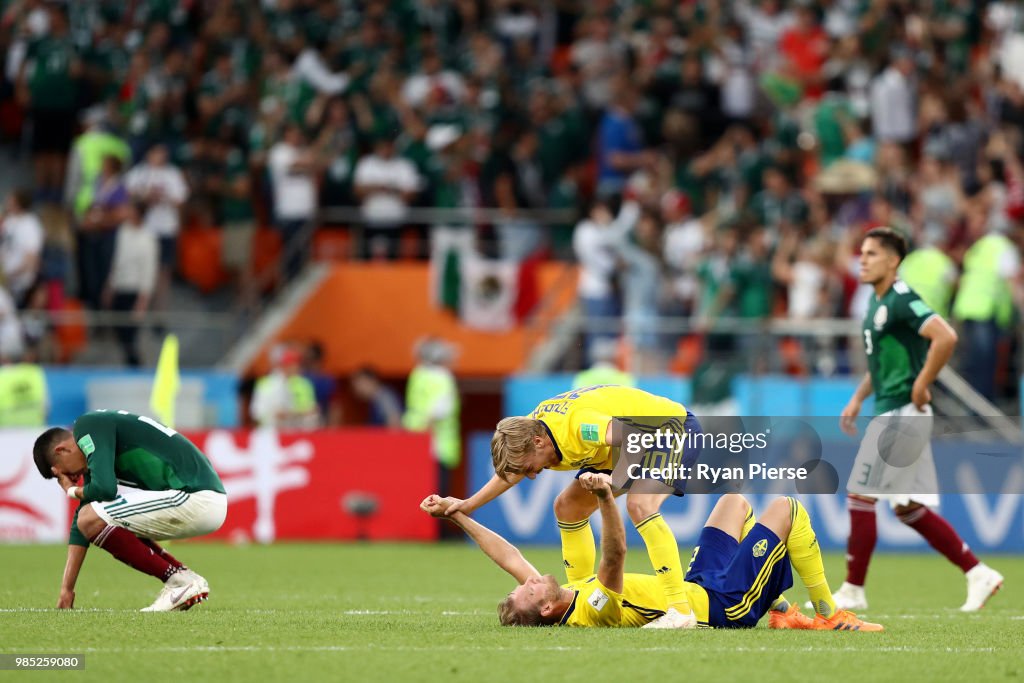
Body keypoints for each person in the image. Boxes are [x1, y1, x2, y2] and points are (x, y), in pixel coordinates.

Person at [422, 477, 882, 631]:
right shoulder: (595, 610)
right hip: (722, 605)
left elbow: (506, 554)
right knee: (788, 508)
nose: (528, 578)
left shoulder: (567, 590)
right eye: (527, 589)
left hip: (695, 586)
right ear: (545, 606)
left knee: (733, 502)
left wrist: (457, 515)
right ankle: (830, 612)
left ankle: (780, 608)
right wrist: (606, 497)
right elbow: (616, 555)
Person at [836, 227, 1004, 612]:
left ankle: (852, 591)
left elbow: (944, 336)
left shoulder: (900, 298)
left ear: (893, 261)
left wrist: (921, 384)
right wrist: (859, 398)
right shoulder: (876, 304)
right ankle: (978, 573)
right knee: (907, 507)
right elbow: (880, 364)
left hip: (902, 411)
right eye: (861, 253)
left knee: (861, 495)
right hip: (892, 408)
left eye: (872, 254)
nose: (862, 259)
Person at [446, 385, 703, 628]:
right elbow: (511, 472)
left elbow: (635, 438)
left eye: (529, 468)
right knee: (567, 506)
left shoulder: (581, 427)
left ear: (538, 442)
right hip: (619, 446)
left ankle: (680, 611)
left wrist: (615, 480)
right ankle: (581, 588)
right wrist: (468, 505)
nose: (532, 475)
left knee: (640, 504)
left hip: (670, 431)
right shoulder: (527, 432)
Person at [32, 410, 227, 611]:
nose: (70, 479)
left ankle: (179, 581)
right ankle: (182, 578)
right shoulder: (96, 443)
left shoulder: (87, 425)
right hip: (202, 498)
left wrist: (71, 491)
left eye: (61, 474)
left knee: (92, 517)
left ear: (61, 450)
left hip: (195, 496)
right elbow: (82, 523)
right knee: (91, 517)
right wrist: (67, 589)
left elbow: (105, 490)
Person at [402, 338, 460, 496]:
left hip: (414, 441)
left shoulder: (417, 374)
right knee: (437, 498)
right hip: (437, 447)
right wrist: (427, 429)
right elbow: (441, 410)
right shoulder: (442, 377)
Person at [250, 344, 320, 430]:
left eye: (297, 364)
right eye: (291, 364)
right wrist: (273, 415)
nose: (296, 368)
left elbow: (309, 410)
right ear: (283, 366)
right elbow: (256, 412)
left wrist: (298, 413)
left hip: (294, 431)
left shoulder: (302, 384)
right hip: (271, 432)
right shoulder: (267, 384)